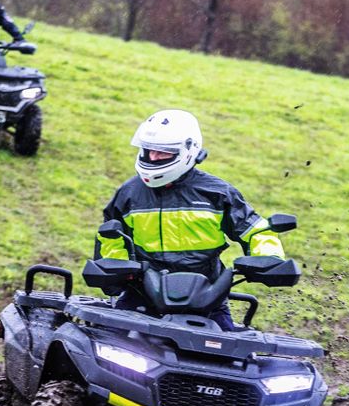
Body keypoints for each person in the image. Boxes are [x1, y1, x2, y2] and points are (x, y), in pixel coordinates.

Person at [96, 109, 285, 331]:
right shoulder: (127, 194)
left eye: (163, 153)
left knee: (234, 358)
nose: (154, 157)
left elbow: (256, 231)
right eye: (149, 151)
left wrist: (267, 260)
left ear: (188, 151)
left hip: (207, 299)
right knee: (103, 345)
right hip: (141, 295)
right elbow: (111, 237)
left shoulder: (218, 193)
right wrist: (118, 269)